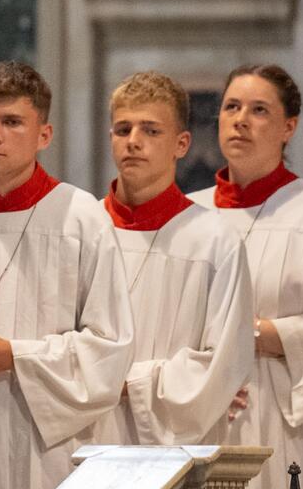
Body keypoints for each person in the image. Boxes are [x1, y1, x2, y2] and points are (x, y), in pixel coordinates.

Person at [0, 61, 134, 489]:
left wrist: (14, 357)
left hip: (44, 451)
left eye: (11, 122)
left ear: (44, 134)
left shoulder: (82, 219)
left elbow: (110, 350)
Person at [187, 64, 303, 489]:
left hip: (289, 427)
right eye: (231, 107)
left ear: (289, 127)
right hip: (201, 423)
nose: (241, 119)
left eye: (259, 109)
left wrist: (272, 335)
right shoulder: (186, 216)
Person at [96, 71, 252, 446]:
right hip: (84, 439)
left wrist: (120, 384)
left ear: (182, 143)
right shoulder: (84, 228)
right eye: (123, 129)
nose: (133, 142)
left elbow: (221, 365)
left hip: (176, 451)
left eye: (150, 131)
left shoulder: (215, 241)